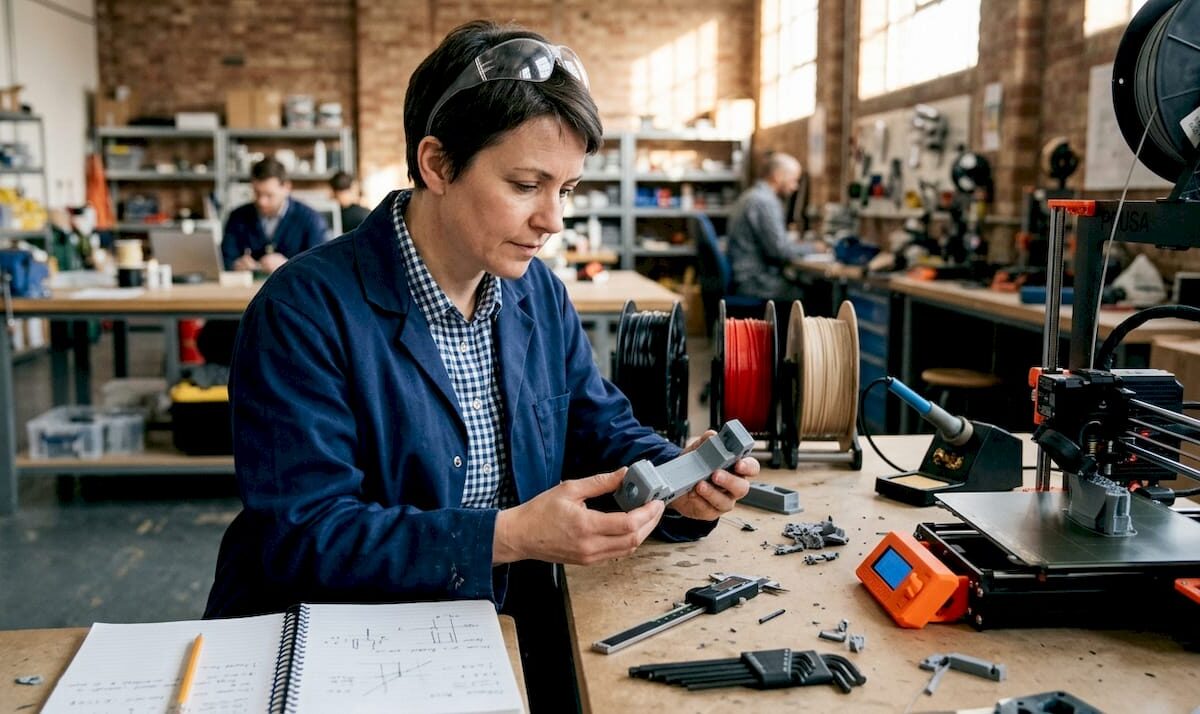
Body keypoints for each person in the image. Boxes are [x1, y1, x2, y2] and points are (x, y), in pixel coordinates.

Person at [204, 20, 756, 712]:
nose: (553, 219)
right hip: (342, 647)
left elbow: (596, 425)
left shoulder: (536, 294)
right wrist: (510, 536)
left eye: (568, 188)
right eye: (527, 184)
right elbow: (305, 536)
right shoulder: (305, 311)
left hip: (497, 628)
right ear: (436, 164)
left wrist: (676, 476)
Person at [726, 151, 812, 302]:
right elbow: (780, 251)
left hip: (744, 277)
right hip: (755, 282)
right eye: (793, 180)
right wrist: (814, 248)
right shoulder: (764, 202)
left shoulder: (750, 196)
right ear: (778, 176)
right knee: (816, 294)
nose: (795, 187)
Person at [221, 157, 328, 274]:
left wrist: (288, 265)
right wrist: (236, 265)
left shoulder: (311, 220)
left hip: (293, 290)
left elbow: (321, 267)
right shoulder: (237, 217)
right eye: (257, 193)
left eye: (269, 195)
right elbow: (225, 260)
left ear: (286, 188)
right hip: (244, 291)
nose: (262, 202)